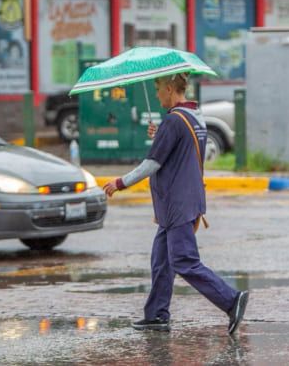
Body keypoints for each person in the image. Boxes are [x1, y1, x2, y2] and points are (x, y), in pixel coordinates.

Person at [103, 73, 249, 334]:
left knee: (184, 260)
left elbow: (152, 164)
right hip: (180, 201)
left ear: (170, 89)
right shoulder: (195, 116)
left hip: (177, 202)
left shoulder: (173, 121)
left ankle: (231, 300)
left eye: (159, 89)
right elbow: (181, 147)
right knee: (161, 260)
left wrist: (120, 182)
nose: (157, 94)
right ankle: (157, 315)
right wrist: (161, 134)